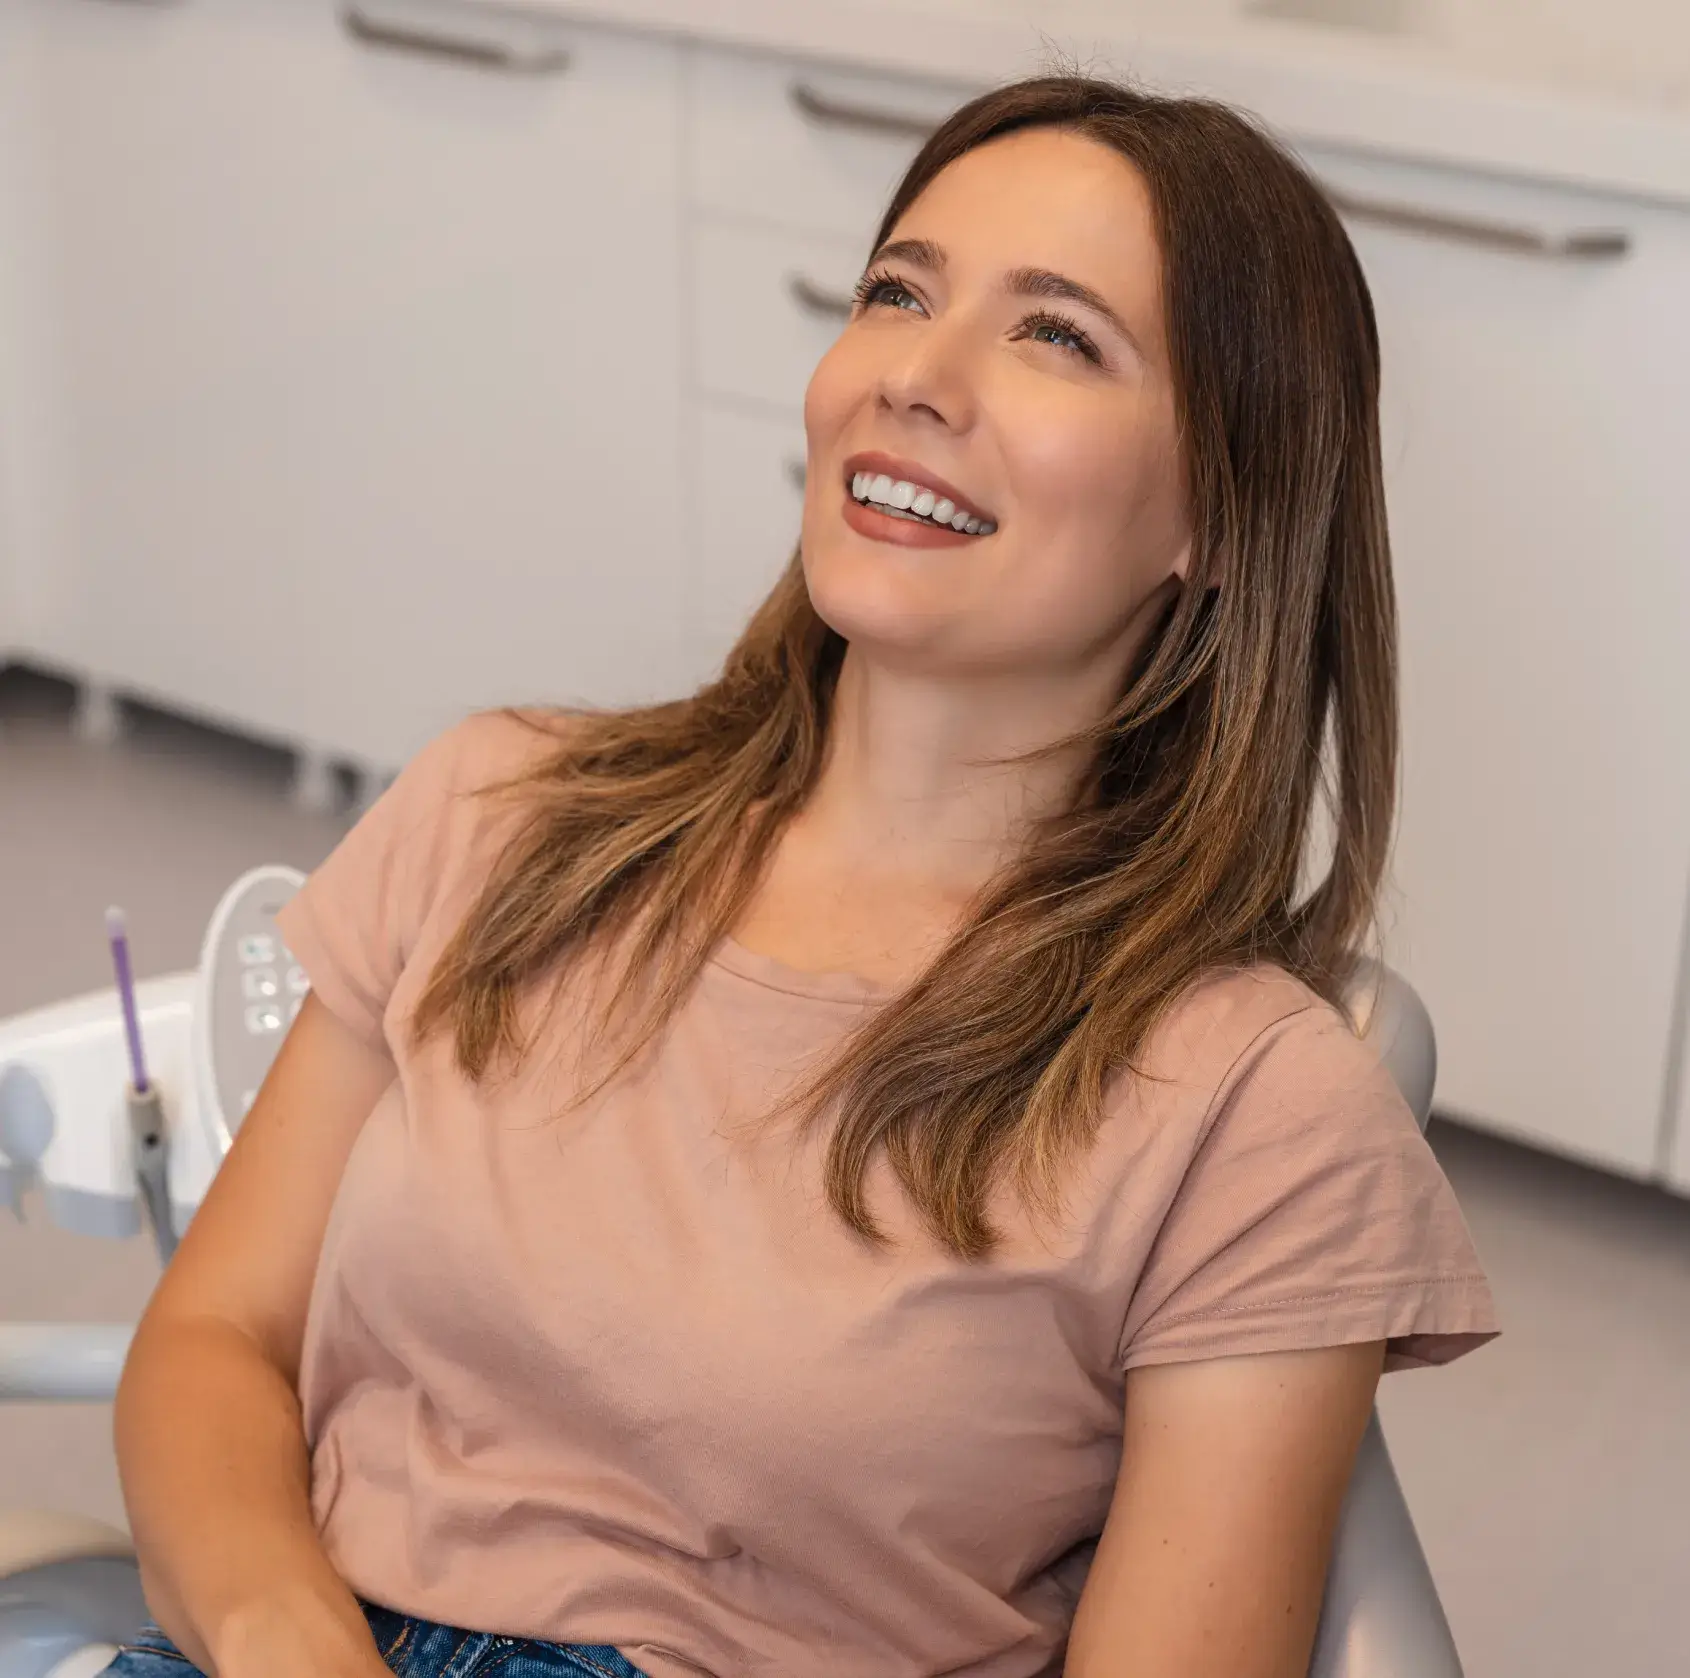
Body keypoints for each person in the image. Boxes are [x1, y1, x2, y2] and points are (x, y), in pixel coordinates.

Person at [104, 73, 1498, 1678]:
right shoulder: (499, 812)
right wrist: (287, 1636)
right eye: (897, 291)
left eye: (1055, 335)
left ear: (1224, 513)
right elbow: (214, 1343)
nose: (916, 372)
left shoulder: (1255, 1111)